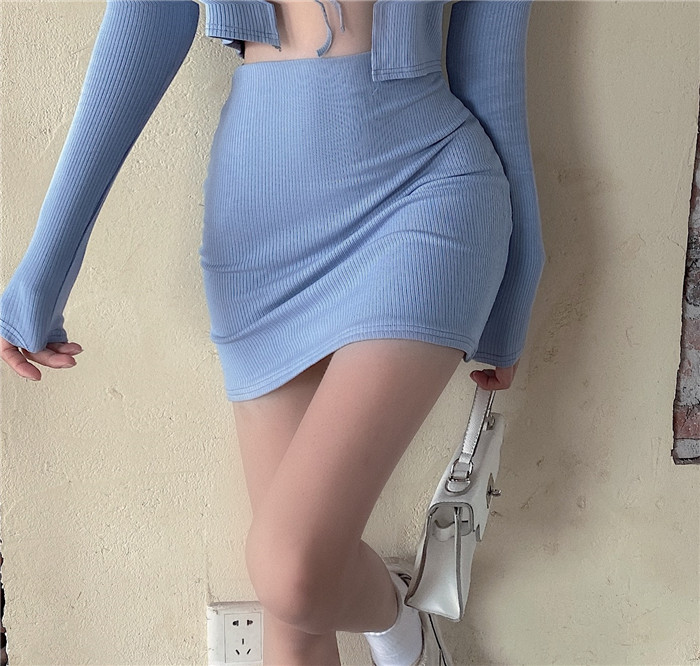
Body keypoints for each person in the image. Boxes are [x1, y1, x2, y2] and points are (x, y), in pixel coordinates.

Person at [0, 1, 544, 664]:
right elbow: (142, 25)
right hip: (260, 226)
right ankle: (401, 623)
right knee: (294, 619)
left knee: (290, 570)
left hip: (428, 193)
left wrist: (517, 287)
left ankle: (397, 619)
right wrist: (42, 272)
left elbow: (493, 75)